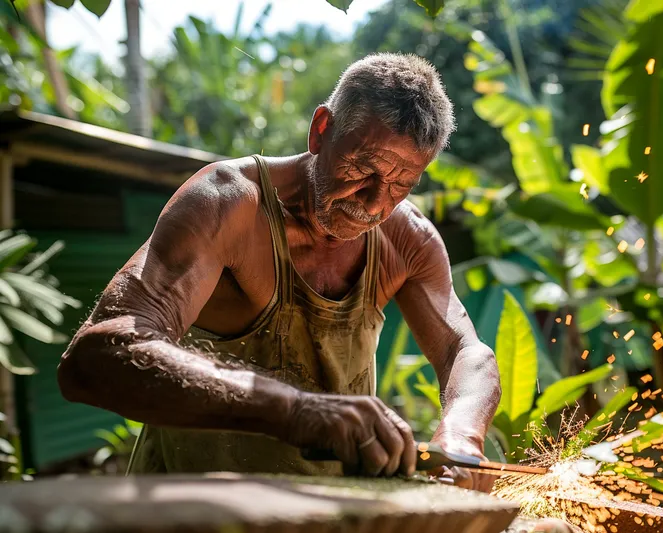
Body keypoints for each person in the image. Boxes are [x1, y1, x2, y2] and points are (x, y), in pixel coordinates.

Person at [57, 53, 499, 489]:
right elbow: (97, 357)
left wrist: (462, 435)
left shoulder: (408, 238)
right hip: (187, 512)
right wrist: (296, 411)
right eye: (362, 168)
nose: (374, 203)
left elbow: (465, 351)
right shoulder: (228, 204)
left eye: (401, 184)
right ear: (322, 130)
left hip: (332, 516)